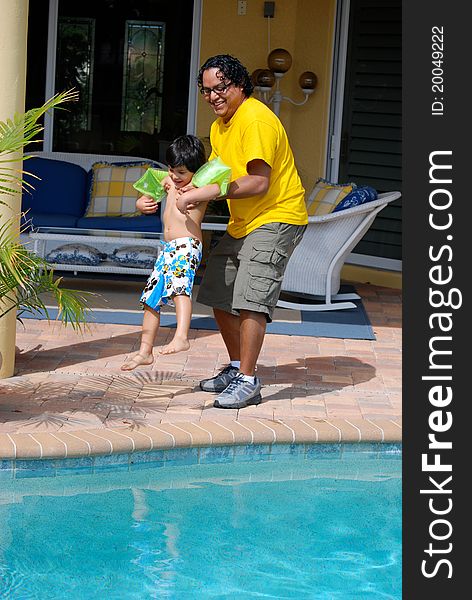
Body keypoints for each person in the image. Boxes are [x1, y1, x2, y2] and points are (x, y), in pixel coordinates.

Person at [175, 54, 308, 409]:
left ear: (239, 85)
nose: (213, 96)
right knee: (218, 291)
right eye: (206, 90)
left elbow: (258, 182)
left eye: (220, 88)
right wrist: (180, 188)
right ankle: (236, 368)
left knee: (251, 298)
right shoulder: (220, 127)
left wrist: (210, 192)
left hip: (277, 216)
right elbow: (216, 176)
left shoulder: (256, 120)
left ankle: (249, 381)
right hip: (243, 222)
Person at [121, 135, 224, 371]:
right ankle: (145, 351)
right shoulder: (168, 181)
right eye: (171, 170)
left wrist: (190, 195)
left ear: (195, 171)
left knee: (180, 288)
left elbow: (219, 187)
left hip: (187, 245)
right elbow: (147, 195)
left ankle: (181, 336)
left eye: (181, 172)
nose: (175, 176)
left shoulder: (200, 185)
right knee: (150, 298)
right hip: (167, 248)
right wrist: (141, 204)